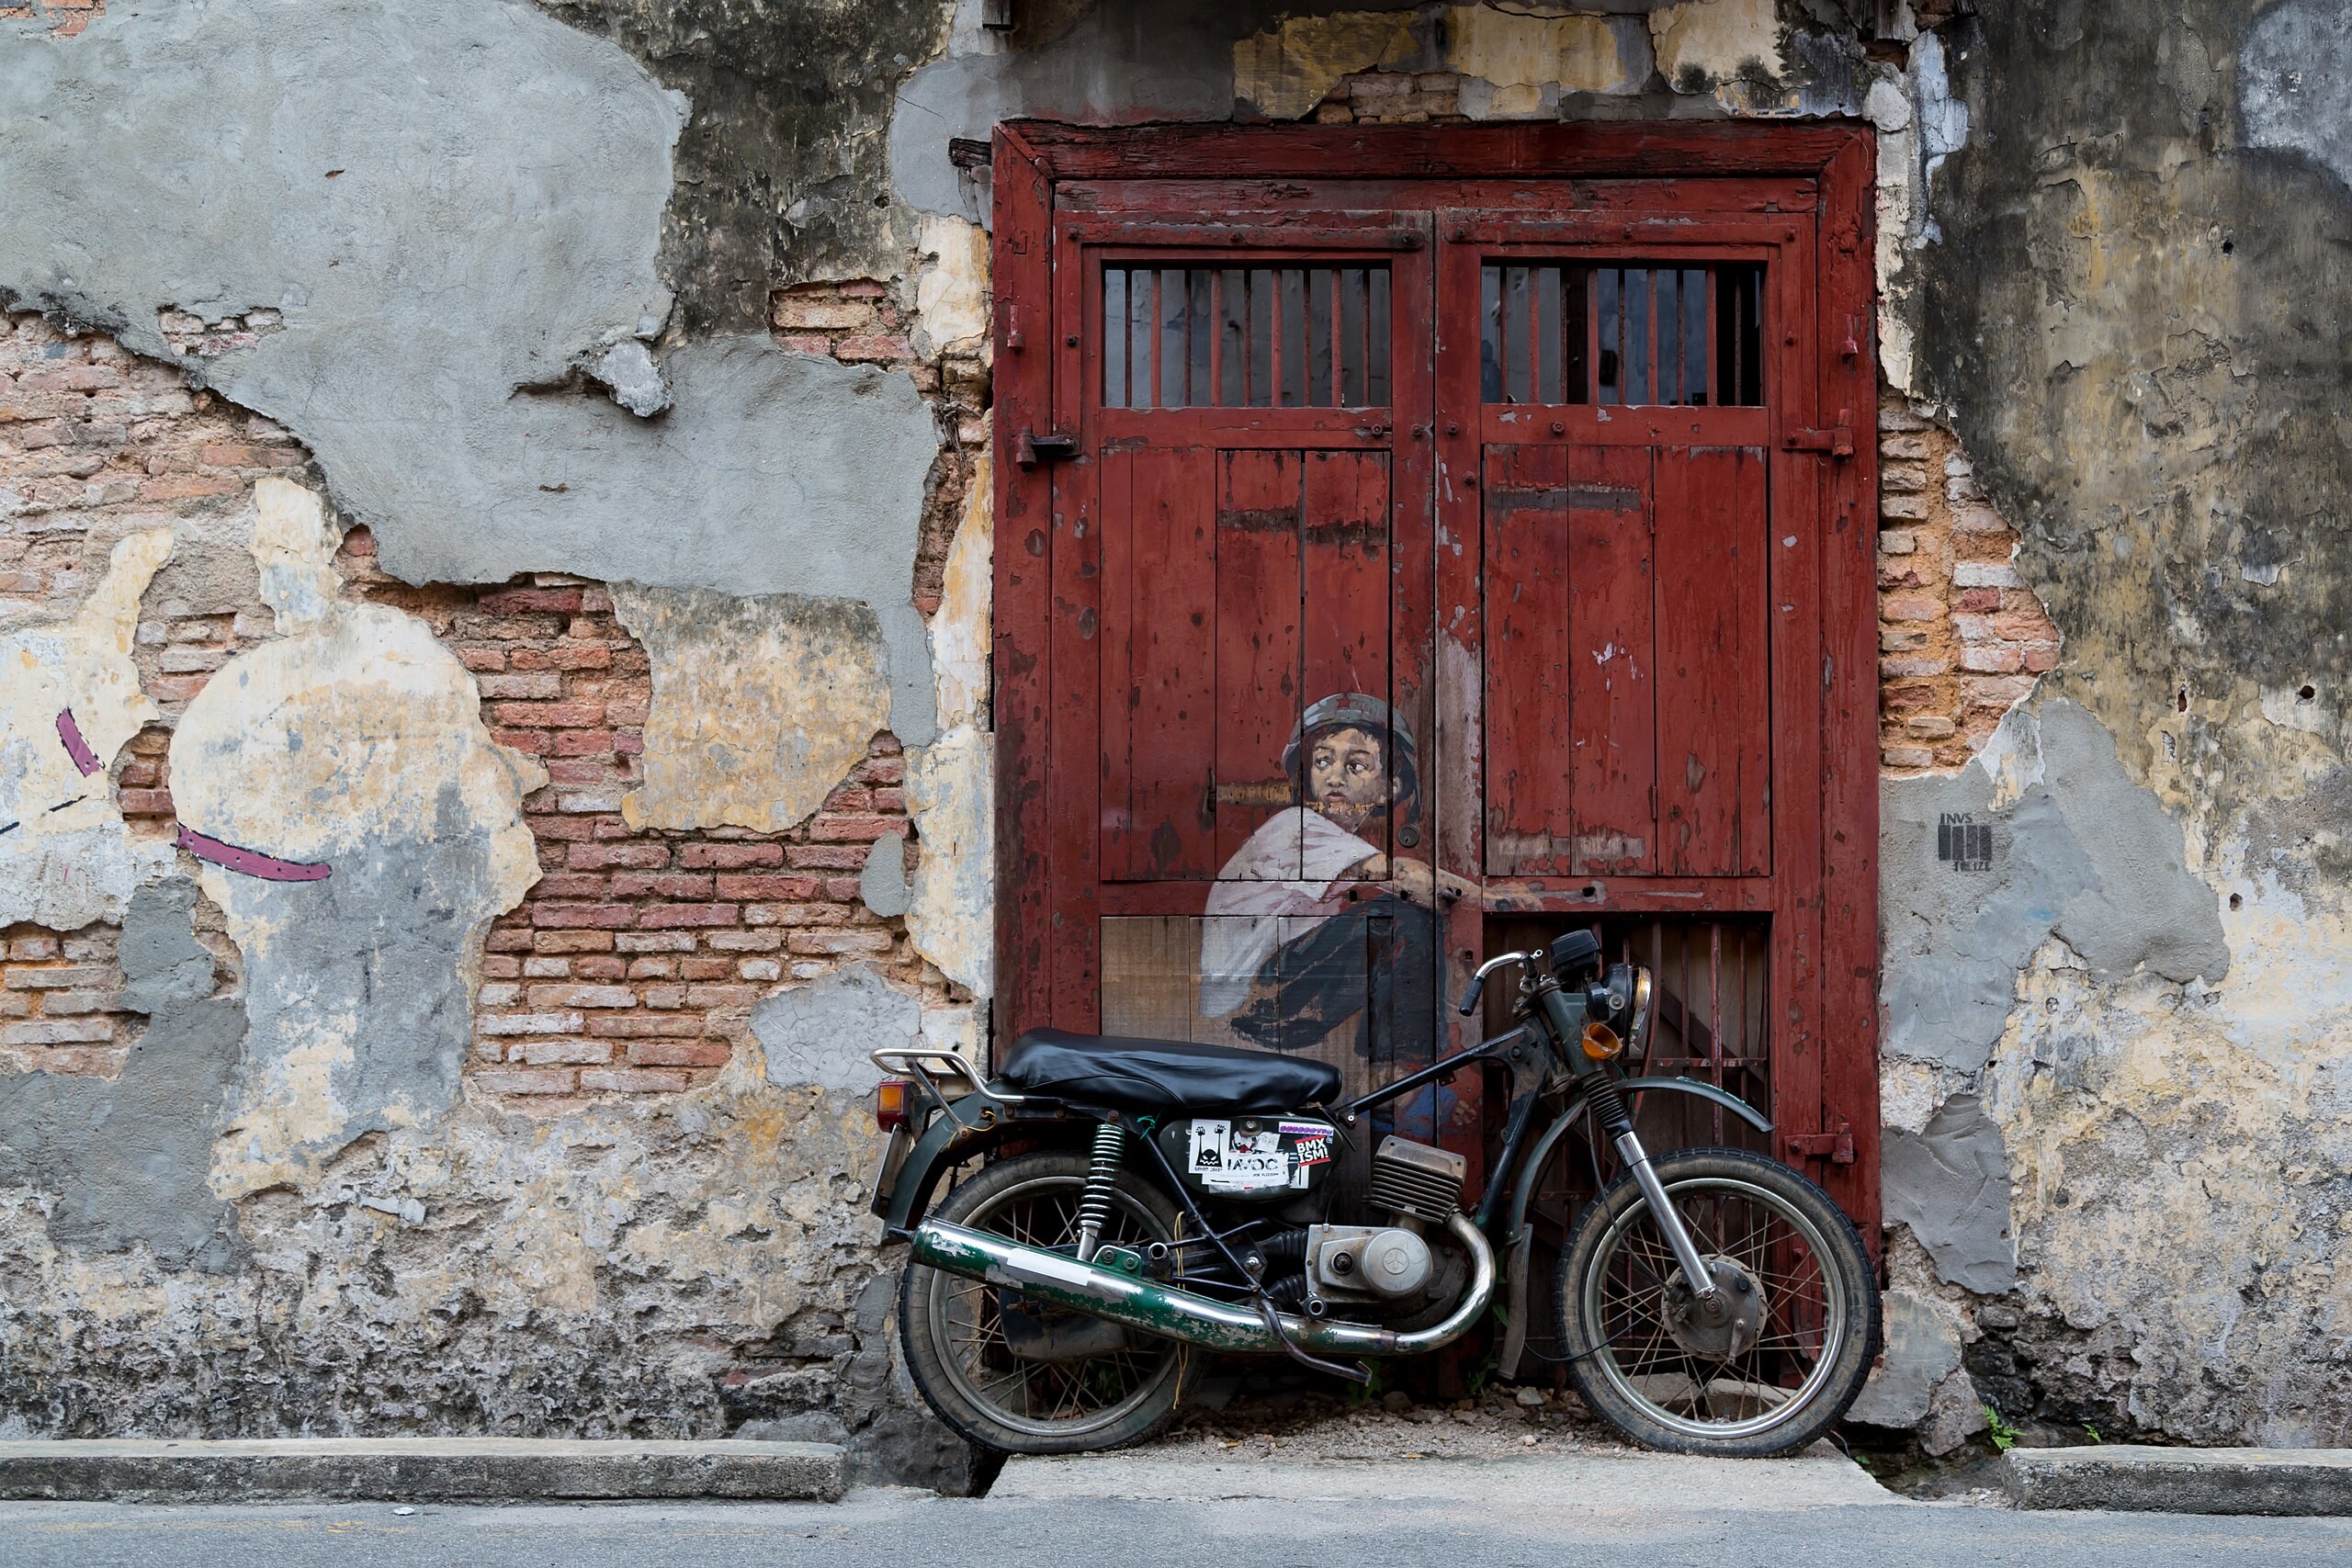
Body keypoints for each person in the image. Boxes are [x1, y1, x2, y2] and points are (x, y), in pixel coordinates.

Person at [1198, 694, 1468, 1077]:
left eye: (1356, 765)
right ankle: (1409, 1079)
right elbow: (1409, 879)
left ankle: (1383, 1079)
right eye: (1323, 761)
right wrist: (1500, 898)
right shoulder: (1297, 827)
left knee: (1388, 929)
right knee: (1401, 920)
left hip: (1271, 997)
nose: (1335, 776)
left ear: (1387, 789)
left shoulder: (1332, 844)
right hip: (1251, 1002)